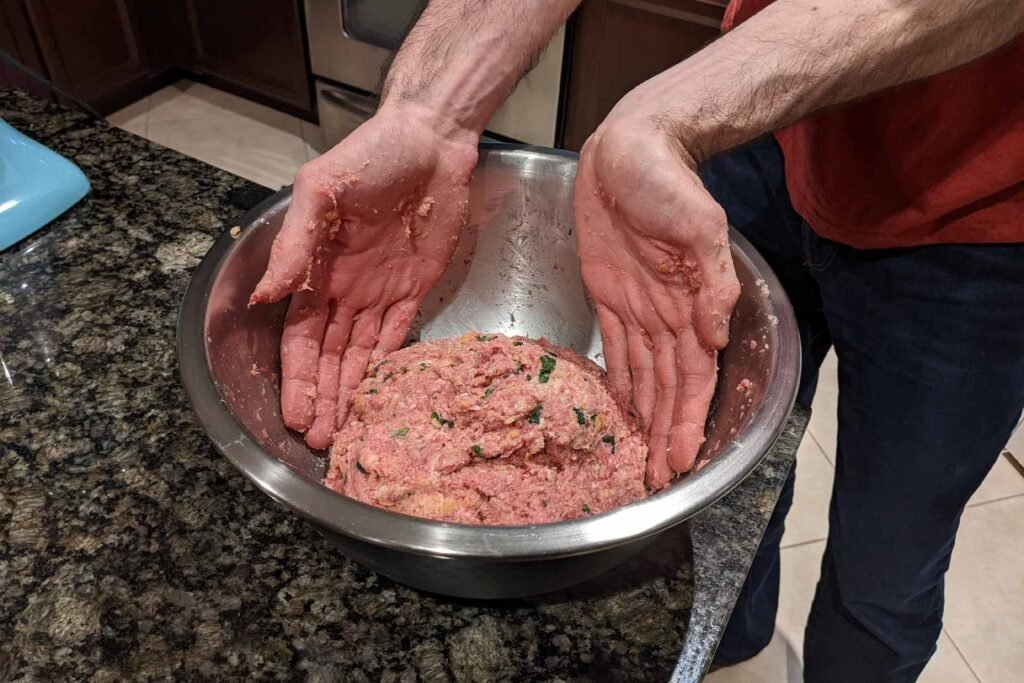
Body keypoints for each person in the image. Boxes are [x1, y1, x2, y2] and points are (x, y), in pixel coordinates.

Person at [251, 1, 1024, 680]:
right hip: (767, 122)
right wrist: (428, 111)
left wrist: (660, 117)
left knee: (886, 561)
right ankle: (730, 635)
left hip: (979, 221)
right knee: (734, 485)